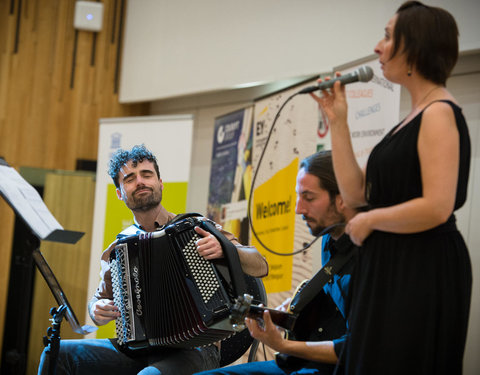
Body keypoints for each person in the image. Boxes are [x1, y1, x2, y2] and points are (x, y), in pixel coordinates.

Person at [310, 2, 472, 374]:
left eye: (387, 36)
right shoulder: (411, 120)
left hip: (421, 267)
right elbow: (354, 194)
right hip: (390, 267)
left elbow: (437, 206)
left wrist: (370, 222)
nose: (378, 47)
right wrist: (338, 121)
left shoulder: (440, 113)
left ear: (414, 46)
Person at [38, 144, 268, 375]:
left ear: (160, 183)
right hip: (139, 348)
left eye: (147, 175)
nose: (140, 182)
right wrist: (96, 309)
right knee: (57, 353)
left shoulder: (197, 227)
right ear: (119, 193)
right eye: (129, 179)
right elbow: (98, 302)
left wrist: (225, 248)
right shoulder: (118, 250)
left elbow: (260, 265)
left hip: (197, 349)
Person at [195, 151, 358, 375]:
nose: (298, 209)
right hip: (308, 361)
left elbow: (360, 349)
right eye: (298, 197)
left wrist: (283, 345)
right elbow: (332, 306)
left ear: (342, 199)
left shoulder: (373, 260)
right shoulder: (331, 238)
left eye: (309, 198)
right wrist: (291, 312)